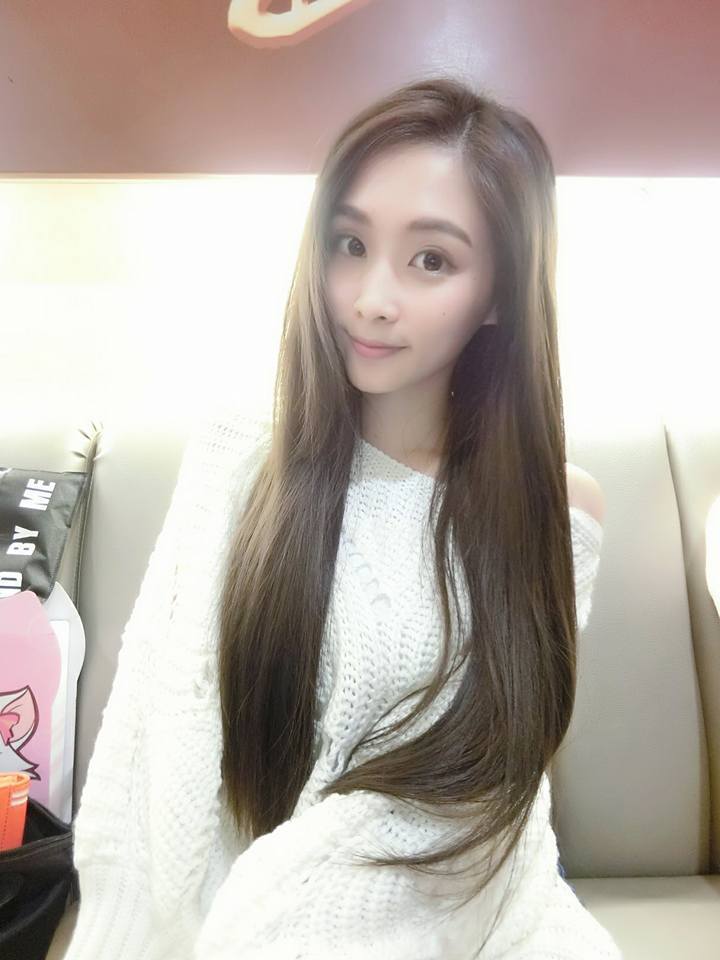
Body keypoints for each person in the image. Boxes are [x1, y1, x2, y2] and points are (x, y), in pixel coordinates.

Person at [64, 75, 621, 959]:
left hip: (475, 914)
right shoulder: (240, 461)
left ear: (498, 296)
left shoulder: (555, 506)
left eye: (431, 260)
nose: (370, 298)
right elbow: (153, 749)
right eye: (350, 244)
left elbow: (488, 788)